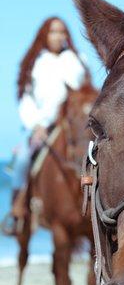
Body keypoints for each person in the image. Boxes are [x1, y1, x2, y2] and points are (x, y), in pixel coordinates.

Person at [2, 17, 88, 235]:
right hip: (43, 126)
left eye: (61, 32)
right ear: (44, 35)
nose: (58, 36)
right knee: (22, 158)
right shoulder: (35, 63)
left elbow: (85, 92)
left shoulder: (77, 60)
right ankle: (17, 208)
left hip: (71, 124)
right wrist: (36, 125)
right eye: (53, 32)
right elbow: (26, 100)